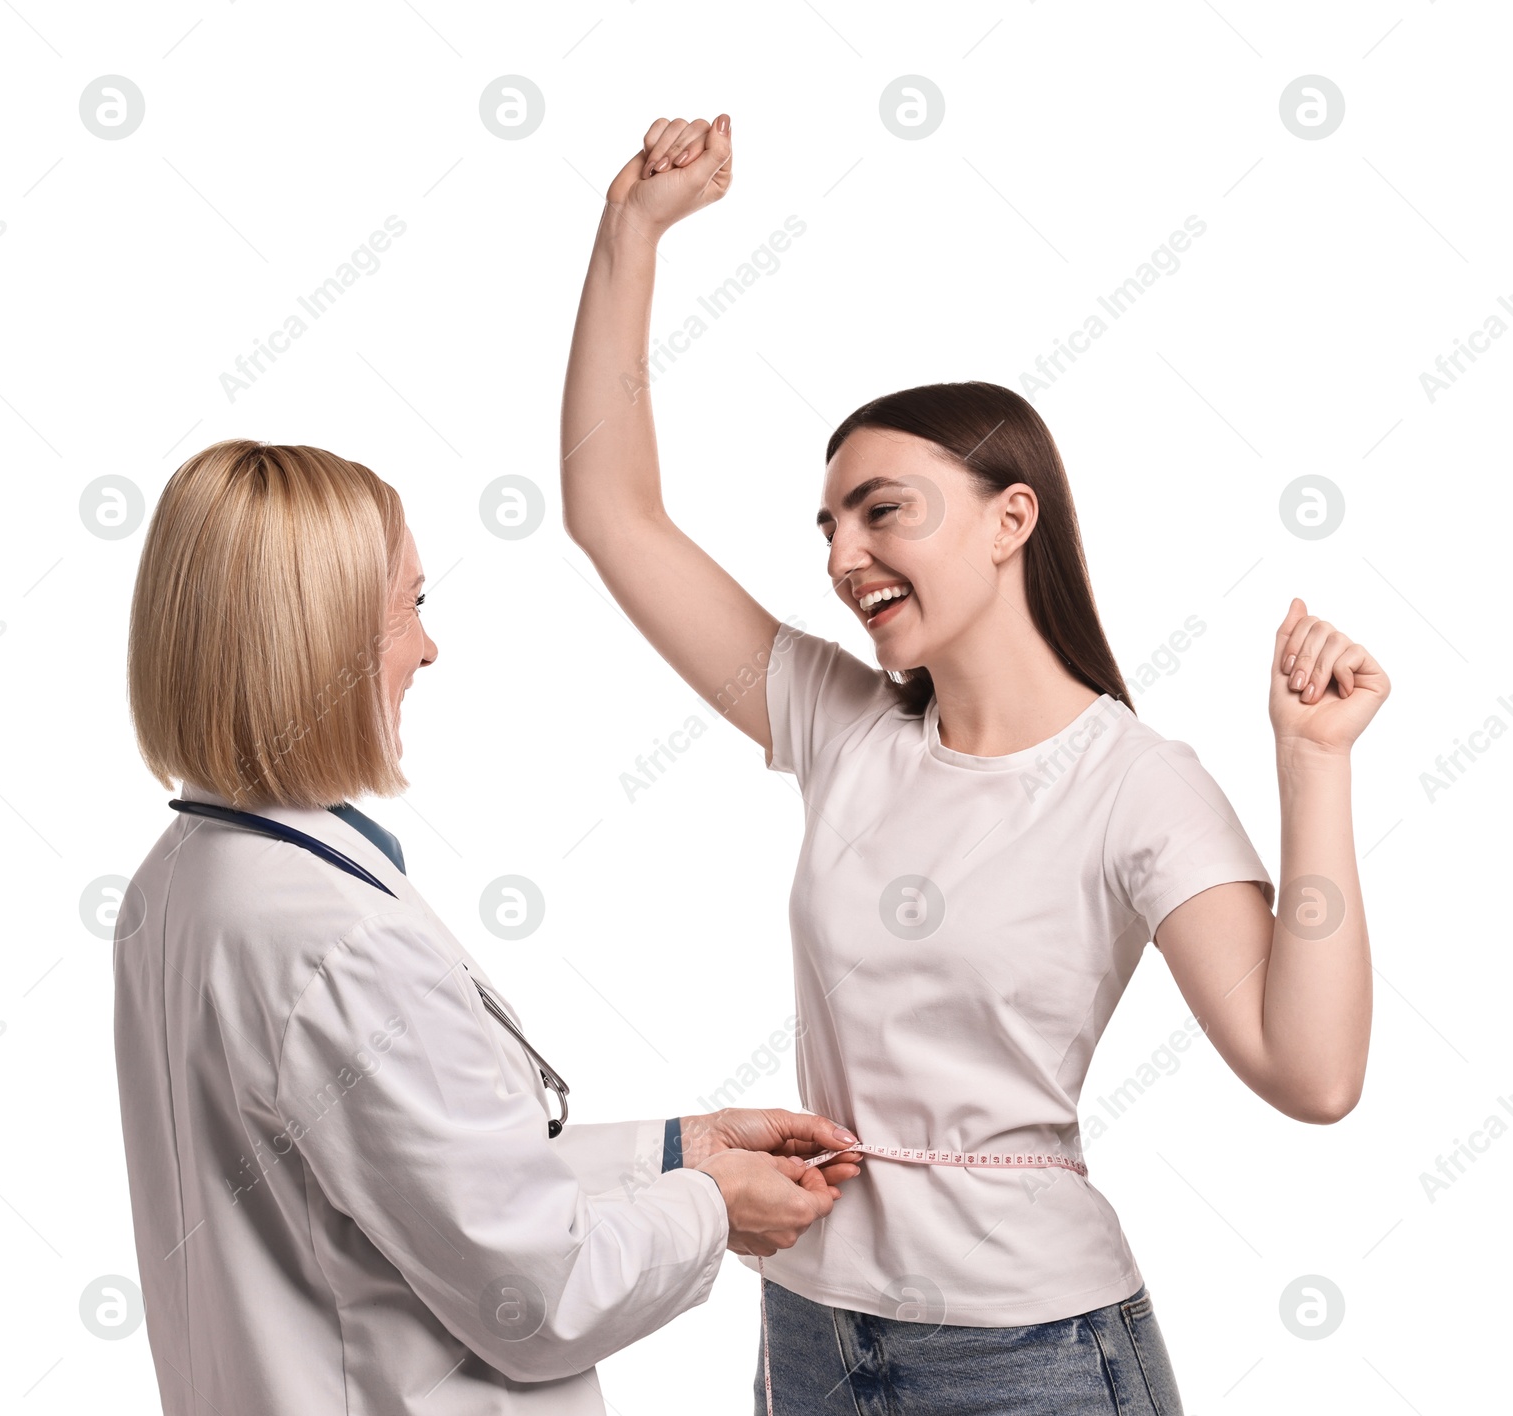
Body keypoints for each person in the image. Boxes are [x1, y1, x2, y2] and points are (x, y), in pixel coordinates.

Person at [560, 113, 1388, 1413]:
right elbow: (613, 515)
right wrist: (631, 233)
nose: (843, 556)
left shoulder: (1136, 785)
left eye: (882, 509)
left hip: (1029, 1354)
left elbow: (1312, 1071)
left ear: (1013, 519)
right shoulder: (843, 728)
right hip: (815, 1329)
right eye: (828, 524)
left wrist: (1313, 765)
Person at [112, 439, 864, 1415]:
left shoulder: (183, 881)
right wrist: (713, 1207)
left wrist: (681, 1149)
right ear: (323, 640)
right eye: (409, 608)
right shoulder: (342, 947)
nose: (427, 649)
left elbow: (406, 1181)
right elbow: (539, 1296)